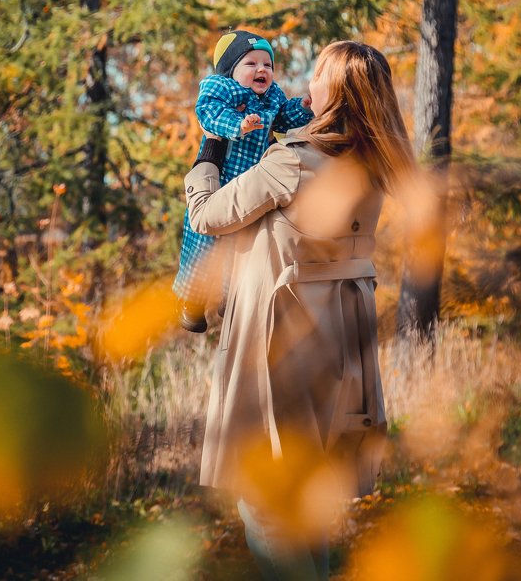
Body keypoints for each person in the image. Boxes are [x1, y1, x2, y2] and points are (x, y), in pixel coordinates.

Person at [183, 40, 415, 580]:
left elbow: (207, 215)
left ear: (333, 92)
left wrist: (207, 157)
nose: (304, 87)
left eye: (315, 77)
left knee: (264, 505)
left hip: (280, 347)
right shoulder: (376, 165)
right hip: (341, 348)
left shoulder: (293, 161)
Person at [173, 29, 313, 333]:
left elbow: (284, 118)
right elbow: (208, 115)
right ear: (231, 70)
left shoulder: (272, 96)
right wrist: (238, 123)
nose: (262, 70)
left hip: (251, 183)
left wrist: (303, 107)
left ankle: (229, 297)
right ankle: (192, 302)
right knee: (204, 244)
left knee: (242, 243)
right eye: (251, 63)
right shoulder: (220, 88)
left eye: (268, 64)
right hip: (220, 179)